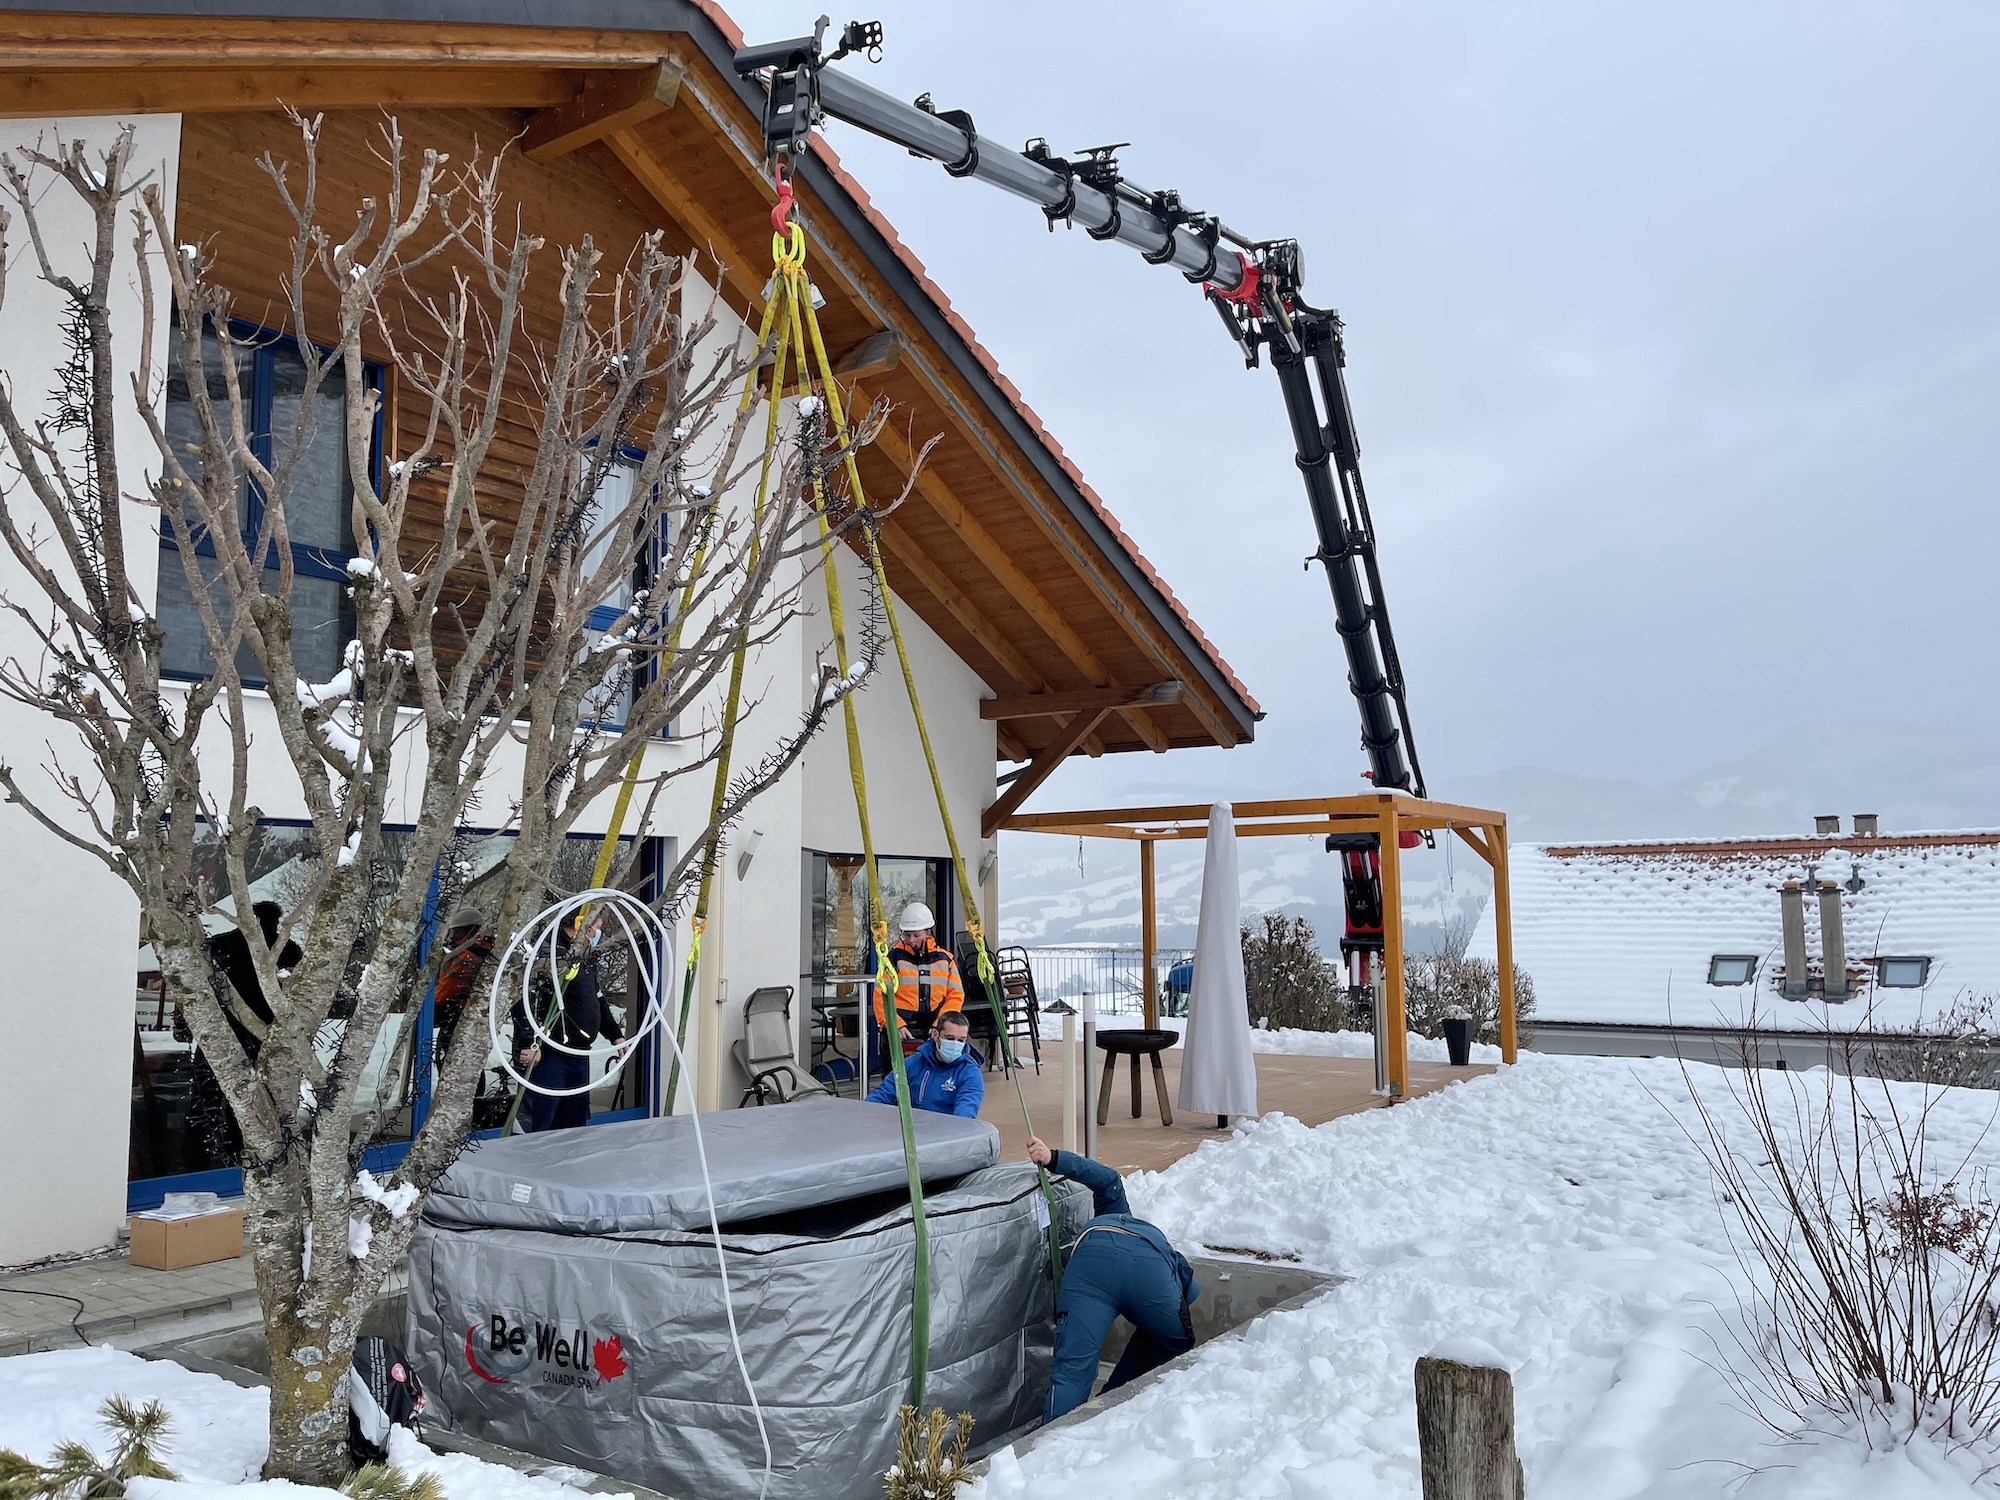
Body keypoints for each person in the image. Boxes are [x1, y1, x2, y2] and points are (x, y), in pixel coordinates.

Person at [1027, 1135, 1200, 1424]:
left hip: (1088, 1265)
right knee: (1172, 1342)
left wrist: (1053, 1157)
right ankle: (1117, 1402)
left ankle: (1045, 1445)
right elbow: (1181, 1310)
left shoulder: (1117, 1211)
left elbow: (1106, 1178)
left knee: (1072, 1371)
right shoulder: (1169, 1261)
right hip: (1150, 1273)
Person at [512, 907, 626, 1133]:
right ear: (578, 925)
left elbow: (596, 998)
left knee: (573, 1127)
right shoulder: (547, 956)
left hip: (579, 1053)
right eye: (595, 928)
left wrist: (615, 1035)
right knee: (543, 1125)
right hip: (548, 1056)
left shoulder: (584, 956)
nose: (596, 934)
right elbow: (522, 1000)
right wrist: (530, 1044)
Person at [874, 901, 964, 1054]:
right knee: (894, 1077)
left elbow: (955, 996)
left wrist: (941, 1025)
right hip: (900, 1031)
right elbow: (880, 995)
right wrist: (895, 1024)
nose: (911, 940)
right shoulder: (892, 959)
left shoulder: (945, 959)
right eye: (907, 935)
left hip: (933, 1031)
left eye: (916, 935)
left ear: (928, 932)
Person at [864, 1010, 984, 1118]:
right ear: (936, 1035)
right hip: (911, 1132)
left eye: (961, 1040)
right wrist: (863, 1112)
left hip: (946, 1135)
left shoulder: (970, 1073)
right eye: (950, 1038)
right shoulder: (914, 1062)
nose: (955, 1044)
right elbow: (885, 1091)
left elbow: (965, 1114)